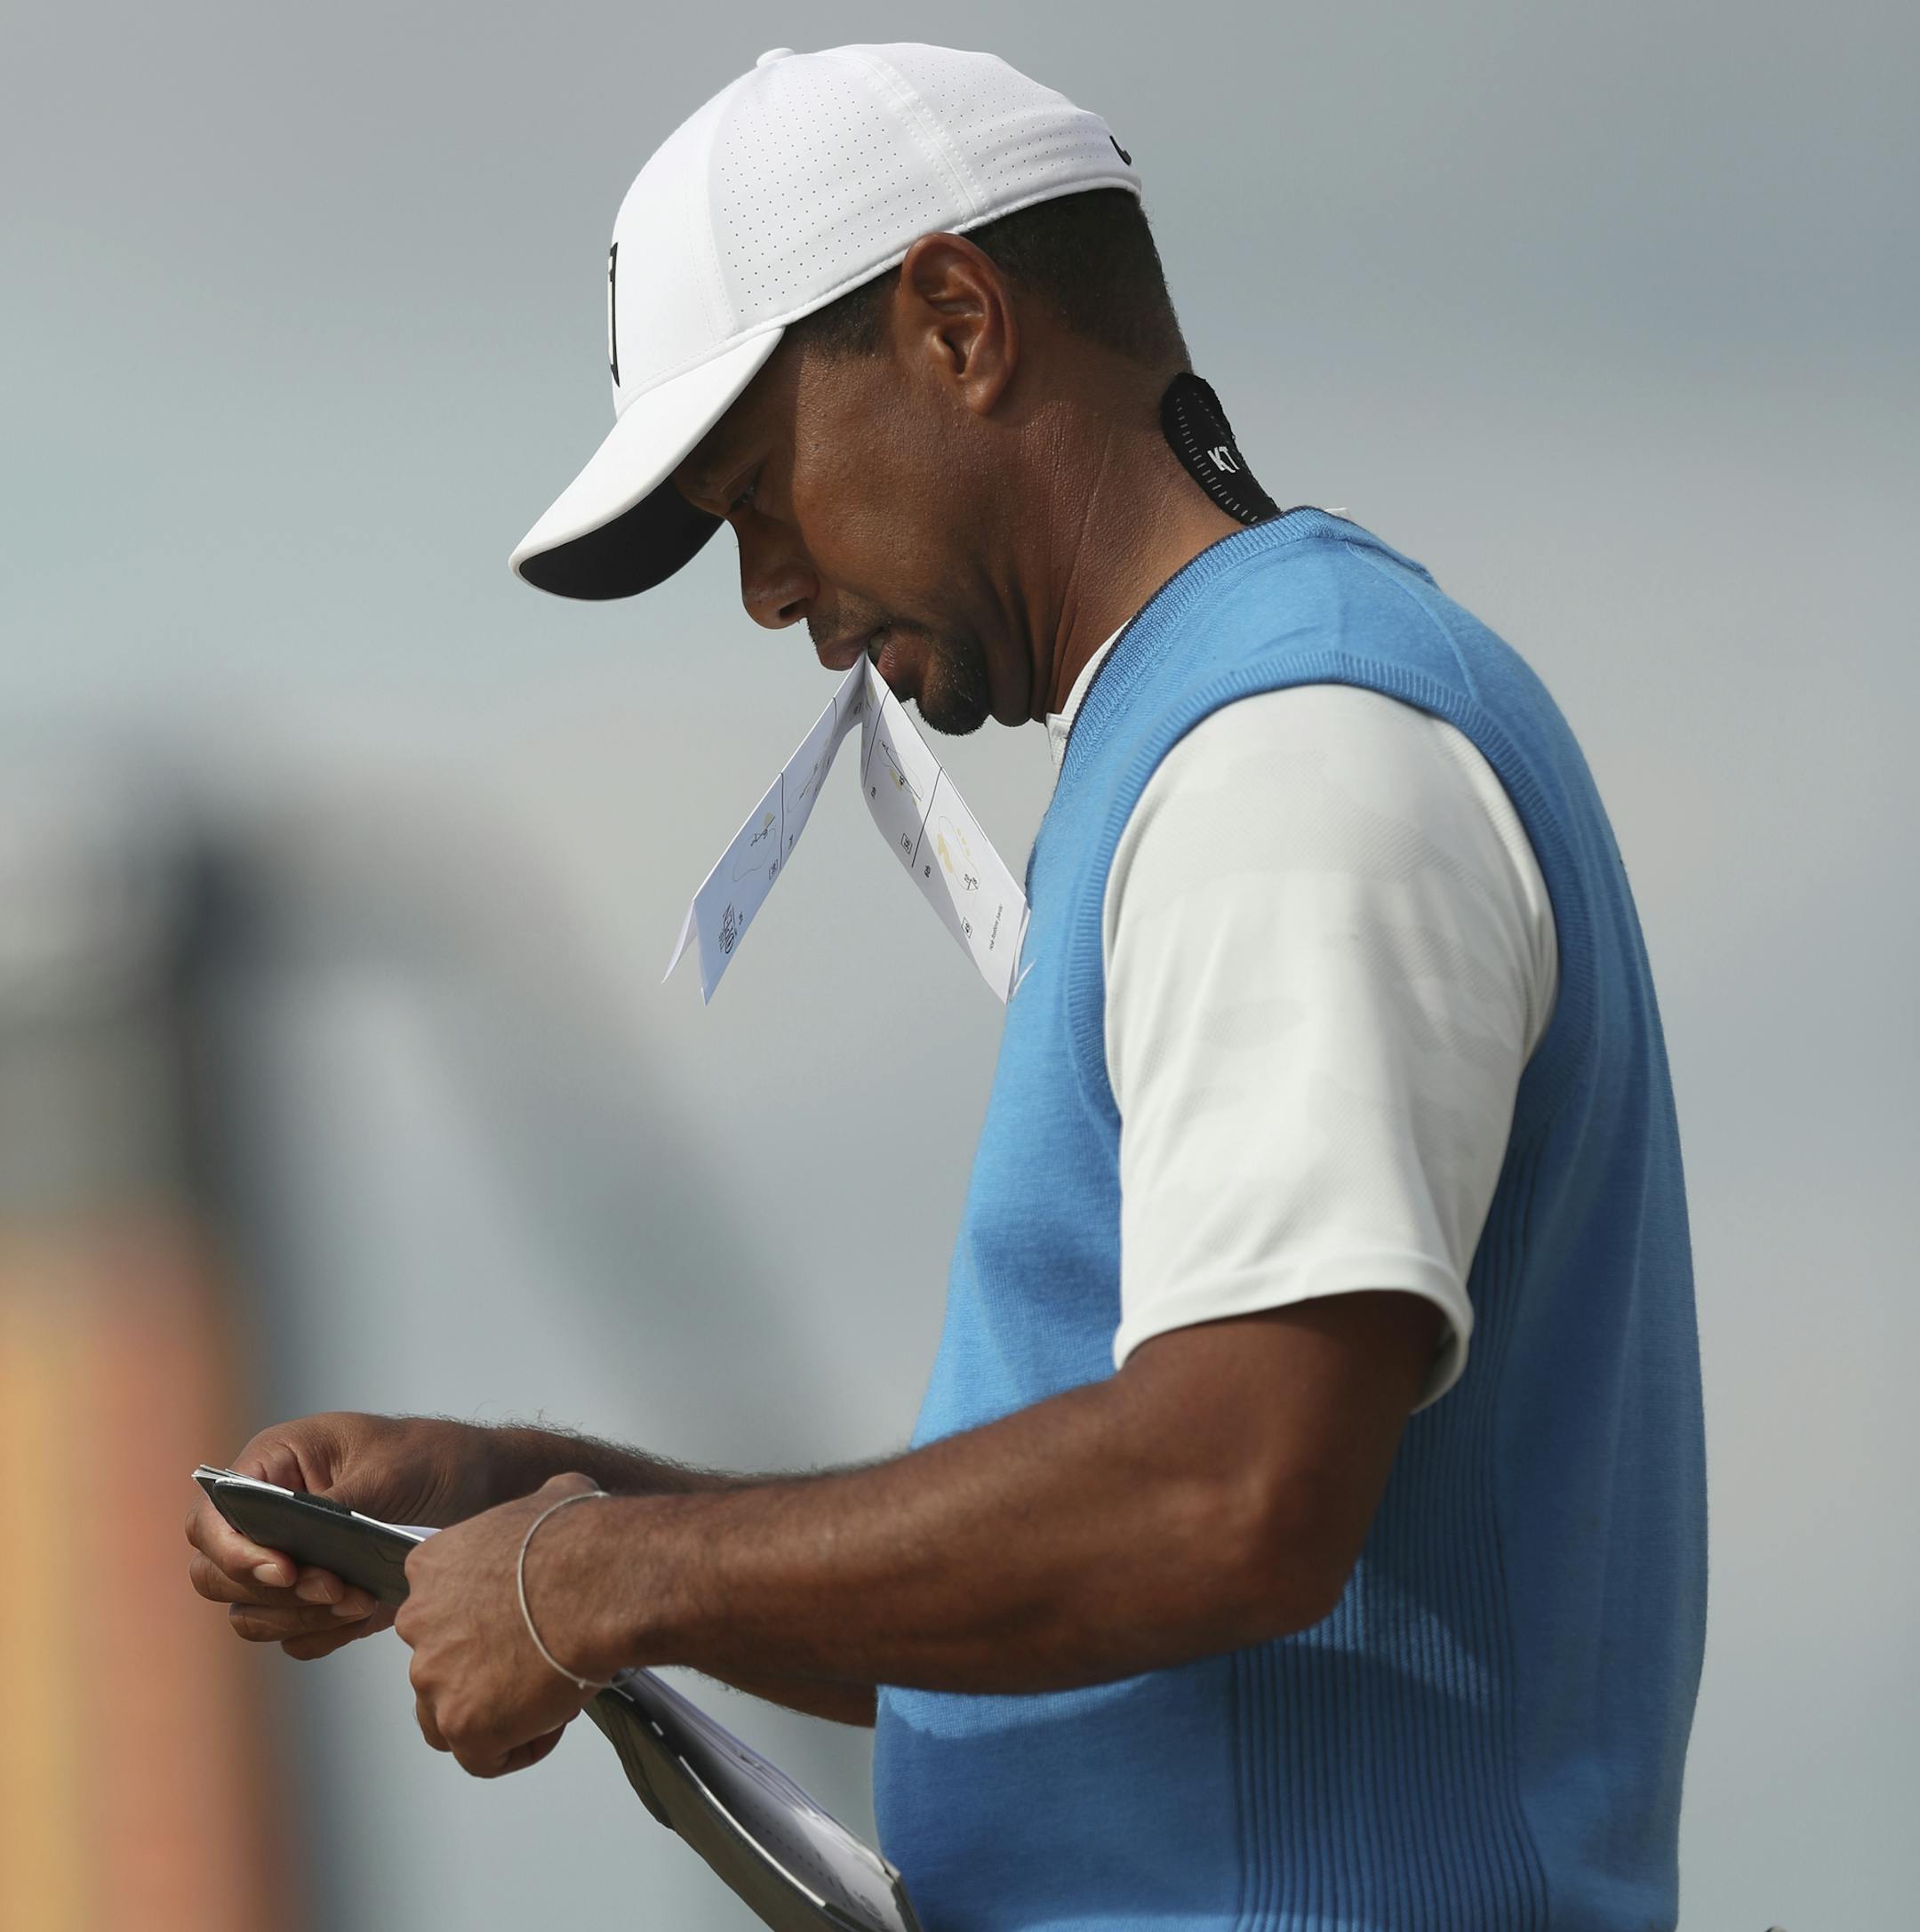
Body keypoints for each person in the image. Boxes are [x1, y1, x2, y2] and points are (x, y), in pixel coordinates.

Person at [186, 42, 1708, 1932]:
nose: (764, 591)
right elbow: (1078, 1589)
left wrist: (603, 1576)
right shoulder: (1222, 734)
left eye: (758, 492)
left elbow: (1226, 1495)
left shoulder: (1291, 754)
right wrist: (534, 1492)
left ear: (959, 325)